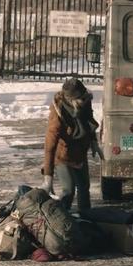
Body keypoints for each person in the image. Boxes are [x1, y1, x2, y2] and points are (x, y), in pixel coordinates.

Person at [41, 78, 103, 212]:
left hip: (80, 152)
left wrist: (94, 141)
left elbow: (88, 122)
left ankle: (86, 217)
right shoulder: (58, 114)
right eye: (80, 99)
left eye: (84, 97)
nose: (84, 101)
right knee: (68, 190)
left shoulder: (84, 101)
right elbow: (49, 146)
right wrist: (48, 176)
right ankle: (62, 219)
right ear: (70, 100)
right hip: (63, 156)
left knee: (84, 187)